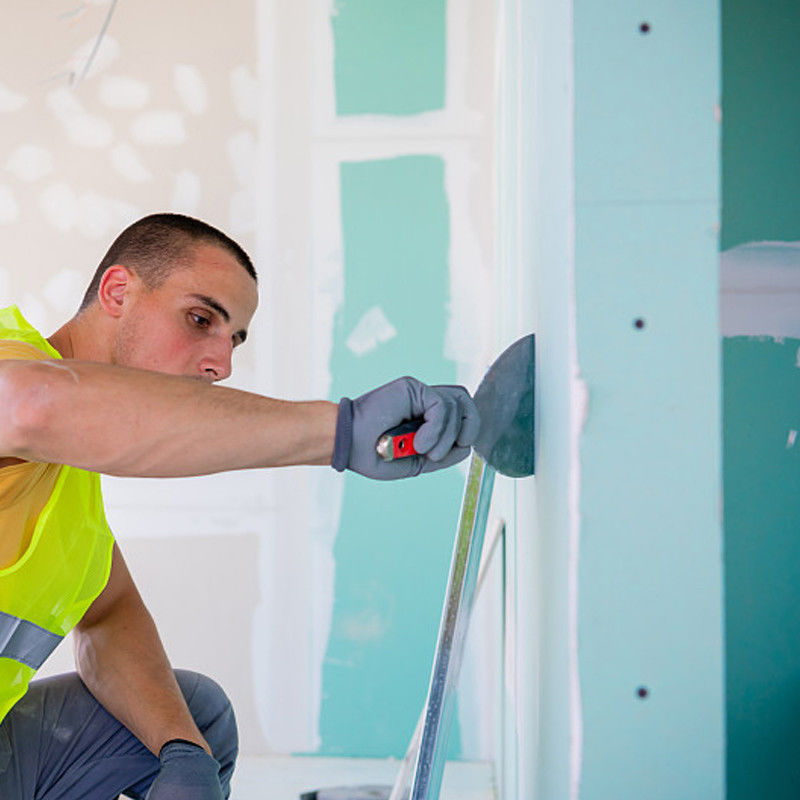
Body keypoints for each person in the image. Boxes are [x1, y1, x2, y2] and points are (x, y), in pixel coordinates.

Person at [0, 213, 480, 800]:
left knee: (193, 718)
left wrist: (179, 750)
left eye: (234, 340)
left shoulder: (71, 488)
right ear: (118, 292)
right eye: (201, 320)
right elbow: (30, 406)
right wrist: (340, 431)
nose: (221, 365)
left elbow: (107, 615)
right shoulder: (12, 362)